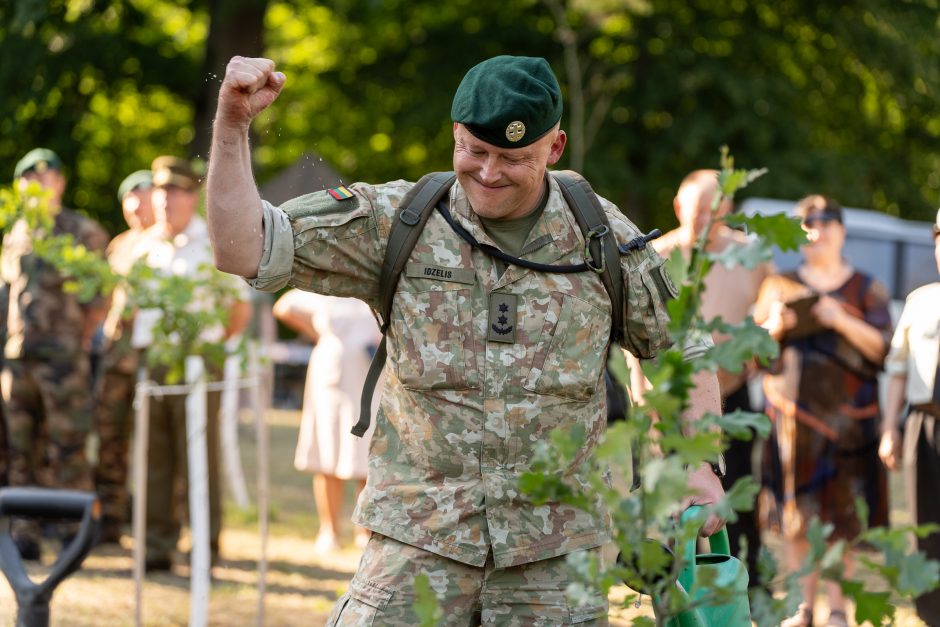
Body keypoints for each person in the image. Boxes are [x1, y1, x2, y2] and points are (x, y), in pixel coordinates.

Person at [206, 55, 725, 624]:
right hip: (416, 545)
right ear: (455, 134)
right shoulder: (396, 222)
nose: (489, 172)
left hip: (551, 560)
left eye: (514, 158)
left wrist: (699, 466)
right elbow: (242, 247)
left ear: (554, 149)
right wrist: (232, 124)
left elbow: (680, 348)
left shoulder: (602, 238)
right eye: (474, 151)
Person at [753, 195, 892, 627]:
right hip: (793, 423)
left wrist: (839, 318)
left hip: (851, 424)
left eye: (829, 221)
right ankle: (803, 606)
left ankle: (836, 609)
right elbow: (754, 355)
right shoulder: (779, 285)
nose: (820, 229)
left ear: (842, 231)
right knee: (796, 517)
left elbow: (883, 350)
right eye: (810, 222)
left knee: (843, 520)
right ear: (800, 232)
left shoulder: (867, 287)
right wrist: (772, 329)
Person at [640, 169, 774, 582]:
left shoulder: (752, 256)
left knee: (738, 497)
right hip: (668, 401)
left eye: (714, 212)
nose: (704, 220)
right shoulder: (653, 257)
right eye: (697, 211)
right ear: (679, 208)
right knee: (670, 500)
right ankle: (674, 588)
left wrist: (761, 333)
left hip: (731, 397)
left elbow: (772, 304)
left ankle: (746, 586)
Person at [132, 156, 251, 572]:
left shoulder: (213, 244)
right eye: (162, 191)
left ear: (192, 197)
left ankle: (206, 546)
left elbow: (239, 309)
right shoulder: (144, 246)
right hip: (153, 361)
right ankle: (155, 546)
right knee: (154, 458)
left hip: (199, 361)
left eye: (177, 192)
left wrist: (211, 350)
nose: (167, 200)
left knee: (199, 458)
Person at [0, 148, 110, 559]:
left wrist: (78, 339)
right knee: (20, 450)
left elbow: (100, 297)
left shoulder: (82, 231)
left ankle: (72, 531)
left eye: (45, 176)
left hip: (63, 360)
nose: (37, 184)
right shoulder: (15, 234)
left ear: (60, 183)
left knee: (69, 447)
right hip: (18, 358)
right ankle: (25, 532)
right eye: (28, 178)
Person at [273, 290, 382, 552]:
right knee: (327, 452)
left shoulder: (373, 285)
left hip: (373, 379)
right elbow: (284, 307)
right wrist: (318, 334)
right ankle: (329, 529)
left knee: (369, 456)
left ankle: (365, 530)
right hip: (331, 380)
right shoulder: (324, 287)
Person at [878, 208, 940, 625]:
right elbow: (898, 371)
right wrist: (889, 428)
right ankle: (931, 613)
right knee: (924, 527)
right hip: (924, 424)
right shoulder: (920, 301)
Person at [94, 169, 155, 544]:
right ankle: (110, 519)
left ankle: (160, 522)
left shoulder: (168, 242)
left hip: (152, 358)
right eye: (128, 201)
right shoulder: (118, 245)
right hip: (117, 359)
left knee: (157, 445)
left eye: (142, 197)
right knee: (110, 440)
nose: (135, 206)